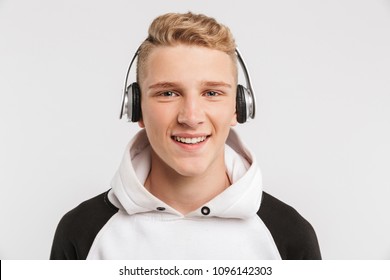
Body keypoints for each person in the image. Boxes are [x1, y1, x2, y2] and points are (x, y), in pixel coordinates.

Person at [50, 12, 321, 260]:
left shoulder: (289, 234)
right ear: (136, 108)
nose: (191, 117)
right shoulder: (81, 231)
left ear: (238, 107)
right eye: (168, 93)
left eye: (212, 93)